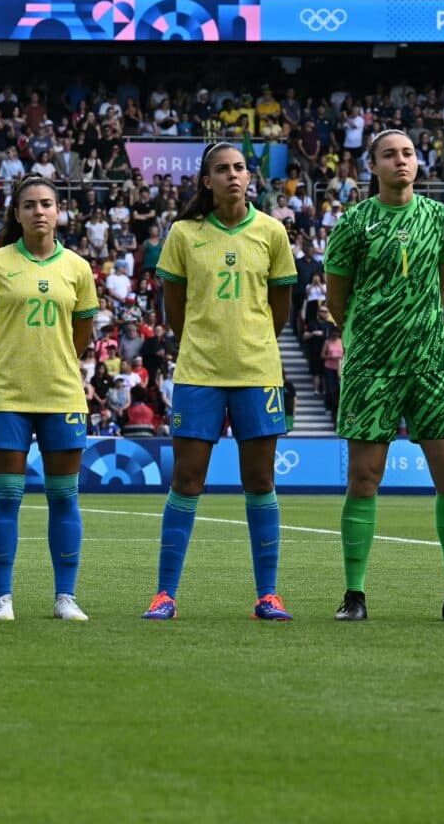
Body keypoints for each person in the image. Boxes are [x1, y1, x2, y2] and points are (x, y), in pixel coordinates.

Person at [325, 130, 444, 622]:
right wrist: (365, 334)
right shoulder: (354, 222)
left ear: (417, 163)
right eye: (389, 155)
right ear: (372, 166)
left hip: (430, 361)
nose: (401, 161)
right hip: (371, 364)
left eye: (408, 154)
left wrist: (422, 326)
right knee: (364, 477)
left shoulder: (440, 219)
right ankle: (354, 594)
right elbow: (338, 297)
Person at [144, 145, 298, 621]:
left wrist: (250, 343)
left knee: (260, 480)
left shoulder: (272, 232)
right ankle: (165, 594)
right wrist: (209, 341)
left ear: (249, 176)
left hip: (257, 373)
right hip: (199, 373)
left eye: (238, 168)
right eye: (221, 170)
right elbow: (175, 309)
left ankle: (267, 596)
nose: (232, 175)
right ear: (206, 181)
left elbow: (280, 307)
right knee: (187, 481)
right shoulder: (184, 234)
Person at [0, 178, 98, 622]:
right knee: (6, 498)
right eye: (29, 205)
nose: (39, 211)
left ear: (59, 212)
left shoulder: (77, 267)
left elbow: (81, 336)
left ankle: (65, 597)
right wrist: (10, 358)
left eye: (46, 204)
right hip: (9, 396)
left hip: (62, 394)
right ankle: (3, 598)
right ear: (16, 214)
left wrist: (51, 359)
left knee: (64, 498)